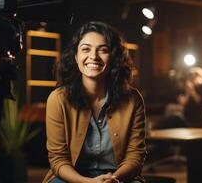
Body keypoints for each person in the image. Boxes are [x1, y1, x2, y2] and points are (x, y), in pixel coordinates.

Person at [42, 21, 146, 183]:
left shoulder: (133, 99)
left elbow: (135, 155)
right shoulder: (58, 99)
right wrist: (88, 182)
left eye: (103, 50)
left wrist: (113, 179)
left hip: (118, 177)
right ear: (76, 57)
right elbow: (58, 160)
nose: (93, 56)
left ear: (113, 57)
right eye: (86, 49)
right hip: (73, 177)